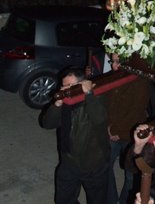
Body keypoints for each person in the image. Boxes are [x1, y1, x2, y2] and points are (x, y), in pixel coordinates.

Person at [41, 67, 110, 204]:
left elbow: (99, 119)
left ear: (82, 84)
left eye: (70, 86)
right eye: (63, 86)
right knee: (63, 199)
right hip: (69, 161)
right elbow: (46, 124)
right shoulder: (65, 102)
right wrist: (57, 104)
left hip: (93, 163)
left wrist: (89, 94)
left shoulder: (95, 97)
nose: (65, 90)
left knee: (97, 200)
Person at [106, 53, 151, 204]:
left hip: (130, 135)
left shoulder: (139, 80)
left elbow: (137, 111)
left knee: (131, 174)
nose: (114, 65)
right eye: (112, 61)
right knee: (104, 166)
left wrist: (118, 131)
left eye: (118, 62)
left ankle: (124, 201)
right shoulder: (115, 76)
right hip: (112, 131)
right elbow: (108, 105)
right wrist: (109, 127)